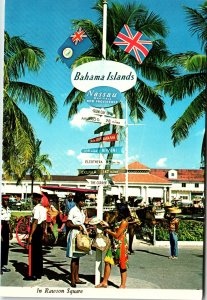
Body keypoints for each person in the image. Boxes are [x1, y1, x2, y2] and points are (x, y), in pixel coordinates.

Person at [96, 206, 130, 289]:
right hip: (114, 243)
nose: (116, 212)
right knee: (107, 261)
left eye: (117, 211)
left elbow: (117, 235)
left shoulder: (124, 222)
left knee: (122, 264)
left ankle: (123, 284)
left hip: (121, 244)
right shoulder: (118, 220)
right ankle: (104, 282)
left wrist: (107, 231)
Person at [66, 192, 88, 288]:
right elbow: (68, 223)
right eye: (82, 201)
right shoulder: (73, 210)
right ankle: (72, 279)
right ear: (78, 201)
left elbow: (83, 222)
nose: (83, 203)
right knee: (74, 258)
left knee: (78, 257)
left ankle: (77, 277)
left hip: (81, 234)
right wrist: (77, 226)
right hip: (74, 234)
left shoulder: (81, 211)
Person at [27, 193, 47, 280]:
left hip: (35, 230)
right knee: (39, 252)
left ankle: (34, 274)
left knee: (34, 252)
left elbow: (35, 222)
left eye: (33, 199)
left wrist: (31, 235)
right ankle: (39, 272)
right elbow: (44, 222)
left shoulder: (36, 208)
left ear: (36, 200)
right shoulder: (43, 209)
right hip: (40, 230)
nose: (32, 200)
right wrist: (43, 233)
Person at [1, 197, 13, 274]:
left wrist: (11, 232)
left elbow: (8, 221)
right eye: (5, 200)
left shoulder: (8, 209)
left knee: (5, 248)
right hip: (1, 227)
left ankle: (2, 265)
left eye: (7, 200)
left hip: (6, 228)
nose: (6, 201)